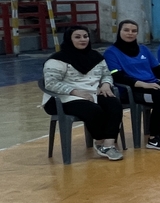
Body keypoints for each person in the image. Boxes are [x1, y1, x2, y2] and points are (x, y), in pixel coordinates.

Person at [104, 19, 160, 150]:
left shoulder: (143, 49)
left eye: (134, 31)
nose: (130, 33)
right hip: (132, 91)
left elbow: (156, 68)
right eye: (126, 30)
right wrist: (143, 84)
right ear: (119, 32)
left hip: (152, 84)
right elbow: (118, 76)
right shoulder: (111, 52)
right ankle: (153, 137)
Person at [41, 25, 125, 160]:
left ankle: (108, 145)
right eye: (77, 37)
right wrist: (75, 92)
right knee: (93, 110)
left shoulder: (96, 56)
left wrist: (106, 84)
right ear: (69, 39)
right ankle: (100, 141)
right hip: (63, 98)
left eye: (85, 36)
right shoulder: (57, 59)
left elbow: (106, 74)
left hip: (92, 93)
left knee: (114, 104)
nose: (83, 39)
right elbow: (51, 83)